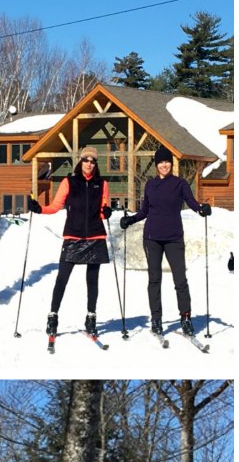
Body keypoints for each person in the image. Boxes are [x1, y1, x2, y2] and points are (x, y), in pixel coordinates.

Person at [118, 146, 211, 336]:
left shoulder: (180, 184)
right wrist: (131, 219)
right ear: (156, 165)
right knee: (154, 280)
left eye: (167, 161)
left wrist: (202, 209)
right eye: (160, 162)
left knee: (180, 280)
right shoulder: (150, 185)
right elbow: (145, 211)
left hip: (174, 238)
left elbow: (192, 203)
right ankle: (156, 319)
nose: (164, 165)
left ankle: (185, 317)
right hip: (152, 238)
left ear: (171, 163)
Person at [28, 145, 110, 339]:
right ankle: (53, 316)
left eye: (92, 161)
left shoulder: (102, 183)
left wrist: (106, 212)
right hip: (73, 236)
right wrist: (39, 209)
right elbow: (56, 206)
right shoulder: (69, 181)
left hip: (96, 236)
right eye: (86, 160)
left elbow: (103, 208)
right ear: (80, 161)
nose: (89, 163)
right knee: (62, 278)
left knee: (92, 280)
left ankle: (91, 318)